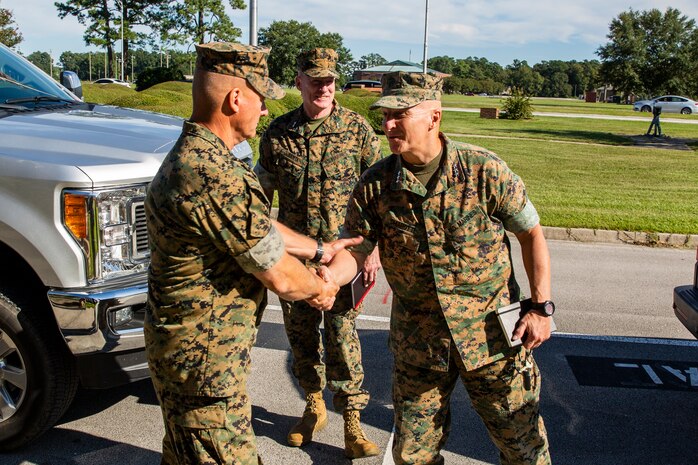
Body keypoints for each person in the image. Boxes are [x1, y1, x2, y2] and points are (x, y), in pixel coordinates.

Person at [326, 71, 554, 465]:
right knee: (412, 456)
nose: (389, 124)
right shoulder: (376, 184)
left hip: (493, 338)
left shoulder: (483, 170)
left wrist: (540, 307)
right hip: (420, 345)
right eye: (385, 116)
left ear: (434, 116)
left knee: (524, 449)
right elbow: (357, 248)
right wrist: (329, 277)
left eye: (400, 113)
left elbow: (532, 234)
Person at [144, 42, 355, 465]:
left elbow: (255, 223)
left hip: (201, 359)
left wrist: (318, 247)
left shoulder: (211, 158)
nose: (263, 111)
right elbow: (278, 274)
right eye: (260, 99)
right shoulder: (206, 170)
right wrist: (323, 285)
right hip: (204, 366)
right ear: (235, 98)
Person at [254, 48, 383, 458]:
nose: (324, 87)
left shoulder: (358, 130)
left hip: (345, 255)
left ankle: (353, 423)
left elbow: (377, 195)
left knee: (343, 336)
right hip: (295, 257)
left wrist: (373, 251)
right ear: (300, 82)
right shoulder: (278, 133)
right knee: (301, 337)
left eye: (330, 79)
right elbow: (261, 196)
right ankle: (313, 406)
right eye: (316, 79)